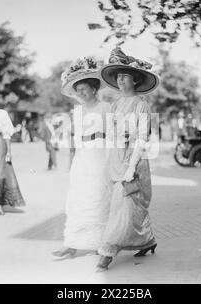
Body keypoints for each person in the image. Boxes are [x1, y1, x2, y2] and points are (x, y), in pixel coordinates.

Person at [96, 47, 158, 271]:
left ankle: (107, 252)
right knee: (126, 206)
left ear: (135, 80)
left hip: (134, 157)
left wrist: (131, 166)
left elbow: (142, 138)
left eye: (125, 77)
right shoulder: (115, 105)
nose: (121, 81)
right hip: (116, 158)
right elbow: (111, 136)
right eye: (118, 77)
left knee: (125, 202)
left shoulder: (141, 105)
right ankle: (147, 240)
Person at [52, 56, 111, 257]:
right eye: (78, 90)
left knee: (98, 198)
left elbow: (112, 138)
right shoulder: (77, 112)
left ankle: (100, 243)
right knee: (77, 200)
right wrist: (72, 163)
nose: (81, 93)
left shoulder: (105, 109)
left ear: (94, 88)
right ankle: (71, 243)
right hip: (82, 158)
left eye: (84, 89)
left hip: (100, 157)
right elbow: (74, 142)